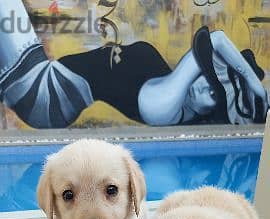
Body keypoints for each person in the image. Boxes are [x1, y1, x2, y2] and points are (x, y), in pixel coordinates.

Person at [0, 0, 268, 128]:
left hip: (42, 94)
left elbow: (216, 39)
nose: (202, 85)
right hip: (43, 79)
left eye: (213, 92)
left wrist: (248, 85)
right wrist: (253, 83)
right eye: (207, 77)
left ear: (213, 110)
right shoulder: (167, 83)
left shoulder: (163, 107)